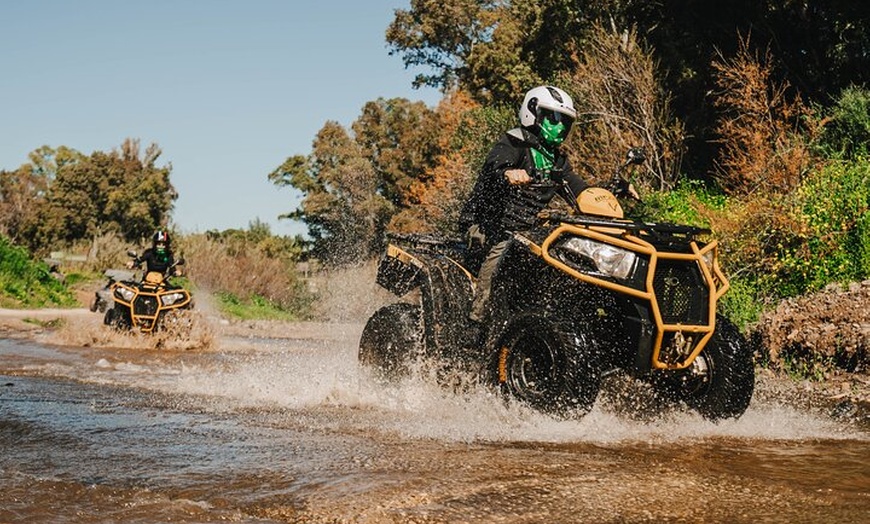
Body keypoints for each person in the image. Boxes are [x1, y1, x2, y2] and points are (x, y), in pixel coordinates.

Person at [459, 85, 590, 323]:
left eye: (565, 121)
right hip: (488, 227)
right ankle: (475, 323)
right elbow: (494, 167)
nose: (560, 126)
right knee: (500, 259)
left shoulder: (558, 160)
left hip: (527, 233)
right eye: (554, 117)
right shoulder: (514, 142)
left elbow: (580, 191)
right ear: (533, 112)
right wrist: (508, 173)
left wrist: (607, 193)